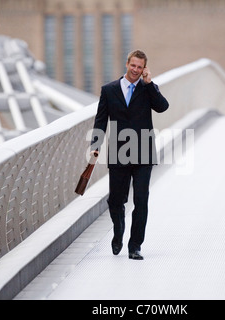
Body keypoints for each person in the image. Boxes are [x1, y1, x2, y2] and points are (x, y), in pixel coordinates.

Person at [90, 50, 169, 260]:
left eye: (140, 67)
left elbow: (163, 107)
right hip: (119, 152)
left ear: (144, 69)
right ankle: (118, 229)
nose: (135, 70)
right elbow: (101, 120)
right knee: (116, 201)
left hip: (143, 152)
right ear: (127, 64)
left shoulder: (148, 89)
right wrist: (95, 145)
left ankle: (135, 246)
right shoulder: (109, 90)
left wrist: (149, 84)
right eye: (133, 65)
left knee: (141, 200)